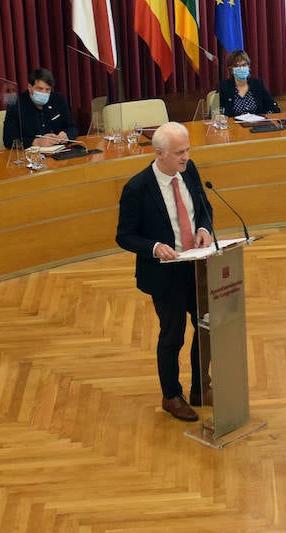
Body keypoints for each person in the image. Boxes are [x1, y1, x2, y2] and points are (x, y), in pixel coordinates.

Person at [115, 122, 216, 422]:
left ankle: (201, 388)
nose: (186, 157)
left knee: (206, 327)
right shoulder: (137, 188)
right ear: (160, 154)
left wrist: (203, 228)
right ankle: (171, 395)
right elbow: (125, 235)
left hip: (196, 265)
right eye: (179, 153)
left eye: (187, 150)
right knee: (173, 335)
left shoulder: (190, 170)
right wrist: (155, 246)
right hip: (164, 273)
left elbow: (204, 207)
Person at [2, 67, 78, 148]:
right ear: (30, 87)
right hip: (30, 155)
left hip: (59, 151)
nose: (44, 93)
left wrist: (66, 135)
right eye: (40, 89)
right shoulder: (15, 105)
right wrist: (36, 142)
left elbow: (72, 127)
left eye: (47, 89)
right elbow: (8, 140)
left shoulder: (58, 99)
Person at [217, 50, 281, 117]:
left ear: (248, 66)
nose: (241, 68)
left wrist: (264, 118)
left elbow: (273, 108)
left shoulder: (258, 84)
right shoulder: (223, 87)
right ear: (231, 69)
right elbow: (216, 112)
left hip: (257, 124)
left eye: (244, 65)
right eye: (237, 66)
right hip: (234, 125)